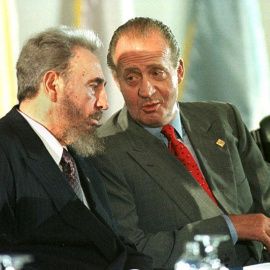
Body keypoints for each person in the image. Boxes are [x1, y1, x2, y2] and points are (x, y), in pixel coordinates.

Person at [97, 17, 270, 269]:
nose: (146, 90)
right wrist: (231, 227)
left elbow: (266, 198)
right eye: (132, 78)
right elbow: (135, 249)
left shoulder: (223, 118)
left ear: (178, 70)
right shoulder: (104, 150)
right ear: (116, 81)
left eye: (157, 73)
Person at [0, 25, 153, 270]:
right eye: (93, 86)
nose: (104, 103)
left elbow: (109, 243)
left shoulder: (79, 153)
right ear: (52, 85)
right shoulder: (5, 148)